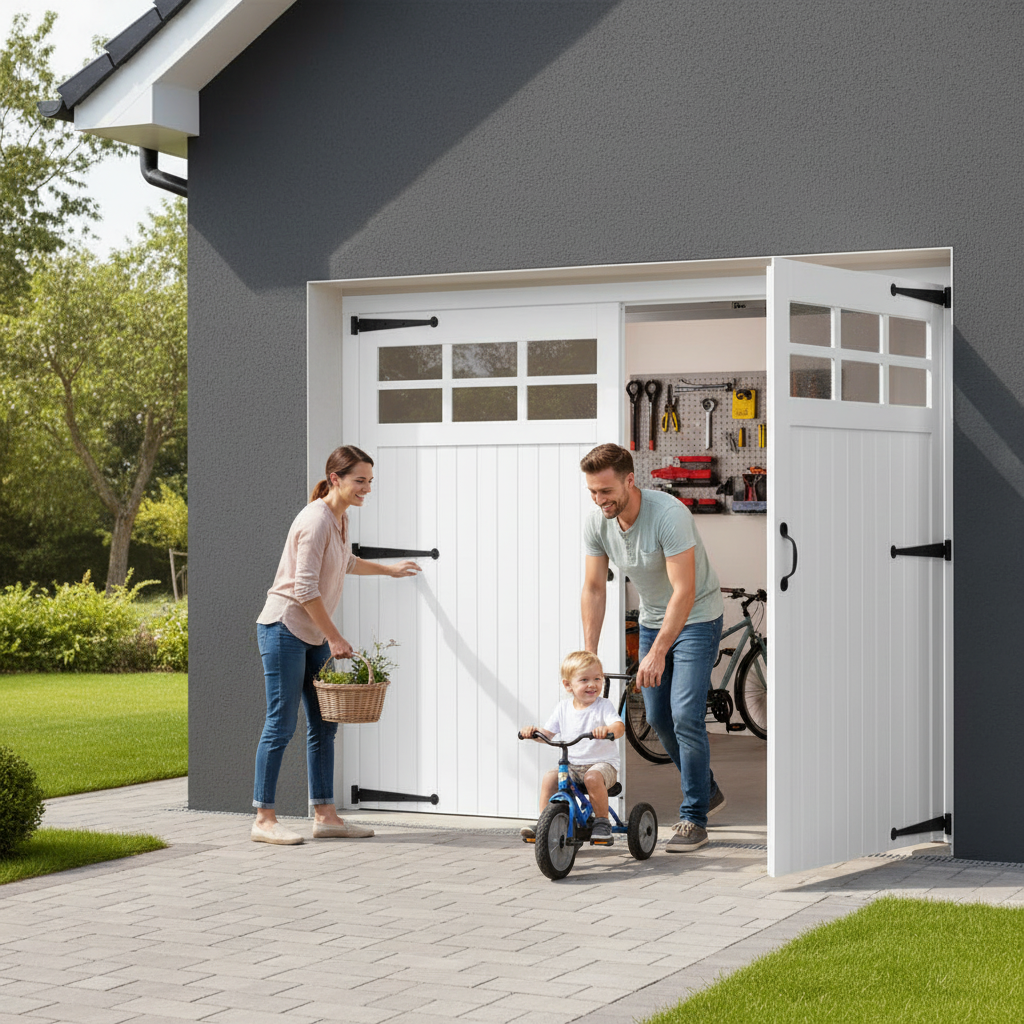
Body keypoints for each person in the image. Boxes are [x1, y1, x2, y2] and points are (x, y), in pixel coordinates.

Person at [251, 445, 421, 845]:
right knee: (281, 724)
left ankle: (326, 817)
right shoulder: (315, 521)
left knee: (325, 724)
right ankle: (263, 818)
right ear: (335, 479)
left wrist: (389, 571)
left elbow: (346, 562)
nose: (366, 488)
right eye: (360, 480)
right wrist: (334, 636)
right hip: (284, 627)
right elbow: (305, 589)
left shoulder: (340, 519)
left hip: (312, 633)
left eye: (370, 481)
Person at [580, 443, 725, 852]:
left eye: (606, 491)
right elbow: (594, 588)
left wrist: (658, 651)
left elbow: (684, 591)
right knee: (658, 716)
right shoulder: (598, 523)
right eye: (592, 491)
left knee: (685, 714)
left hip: (697, 617)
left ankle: (694, 816)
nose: (599, 500)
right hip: (652, 619)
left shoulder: (669, 515)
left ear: (630, 481)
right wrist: (590, 655)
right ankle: (706, 788)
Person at [519, 650, 625, 846]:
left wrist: (607, 730)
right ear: (568, 685)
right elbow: (547, 734)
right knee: (550, 778)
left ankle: (602, 822)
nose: (592, 684)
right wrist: (533, 733)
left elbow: (619, 727)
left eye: (597, 679)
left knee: (592, 778)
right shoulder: (563, 708)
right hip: (573, 766)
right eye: (584, 680)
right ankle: (544, 822)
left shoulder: (603, 706)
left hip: (603, 766)